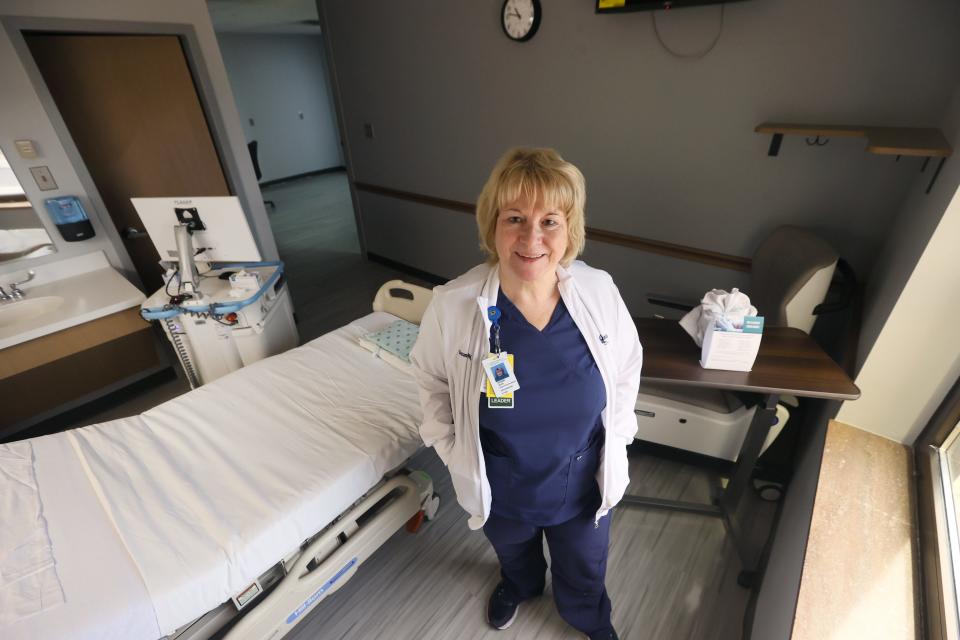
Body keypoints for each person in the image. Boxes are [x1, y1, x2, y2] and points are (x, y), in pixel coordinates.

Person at [410, 147, 642, 640]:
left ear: (569, 229)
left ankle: (588, 617)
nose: (531, 237)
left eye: (549, 221)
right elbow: (430, 380)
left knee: (584, 563)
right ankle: (519, 585)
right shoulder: (455, 304)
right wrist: (452, 450)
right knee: (512, 550)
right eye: (515, 218)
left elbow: (626, 369)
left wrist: (618, 438)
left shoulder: (598, 292)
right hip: (500, 475)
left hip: (580, 479)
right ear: (492, 224)